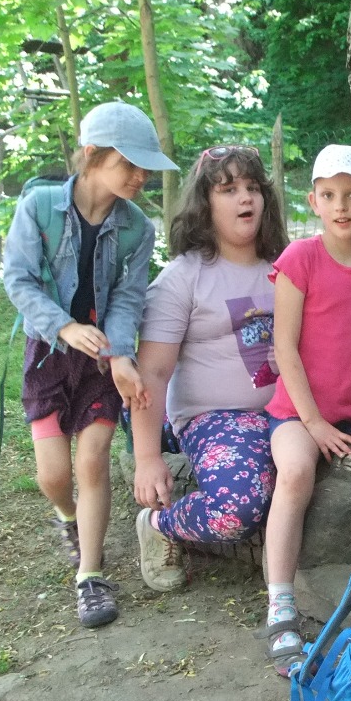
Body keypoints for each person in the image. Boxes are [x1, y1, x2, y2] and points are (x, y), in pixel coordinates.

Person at [2, 101, 177, 628]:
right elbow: (18, 280)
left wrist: (119, 355)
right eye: (130, 164)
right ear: (93, 154)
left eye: (146, 167)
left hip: (101, 362)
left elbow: (128, 297)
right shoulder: (38, 207)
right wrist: (63, 327)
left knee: (93, 461)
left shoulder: (137, 228)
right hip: (48, 356)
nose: (140, 176)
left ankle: (91, 576)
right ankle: (68, 517)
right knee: (54, 475)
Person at [262, 145, 351, 677]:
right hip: (298, 412)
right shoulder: (301, 259)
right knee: (296, 471)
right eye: (329, 195)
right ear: (313, 201)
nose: (341, 206)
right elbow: (285, 347)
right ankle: (280, 604)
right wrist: (314, 423)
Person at [131, 145, 290, 591]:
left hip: (290, 411)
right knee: (236, 508)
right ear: (205, 203)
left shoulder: (288, 266)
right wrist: (147, 458)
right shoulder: (182, 278)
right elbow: (152, 373)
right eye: (228, 189)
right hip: (215, 418)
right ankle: (159, 524)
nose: (246, 198)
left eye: (253, 187)